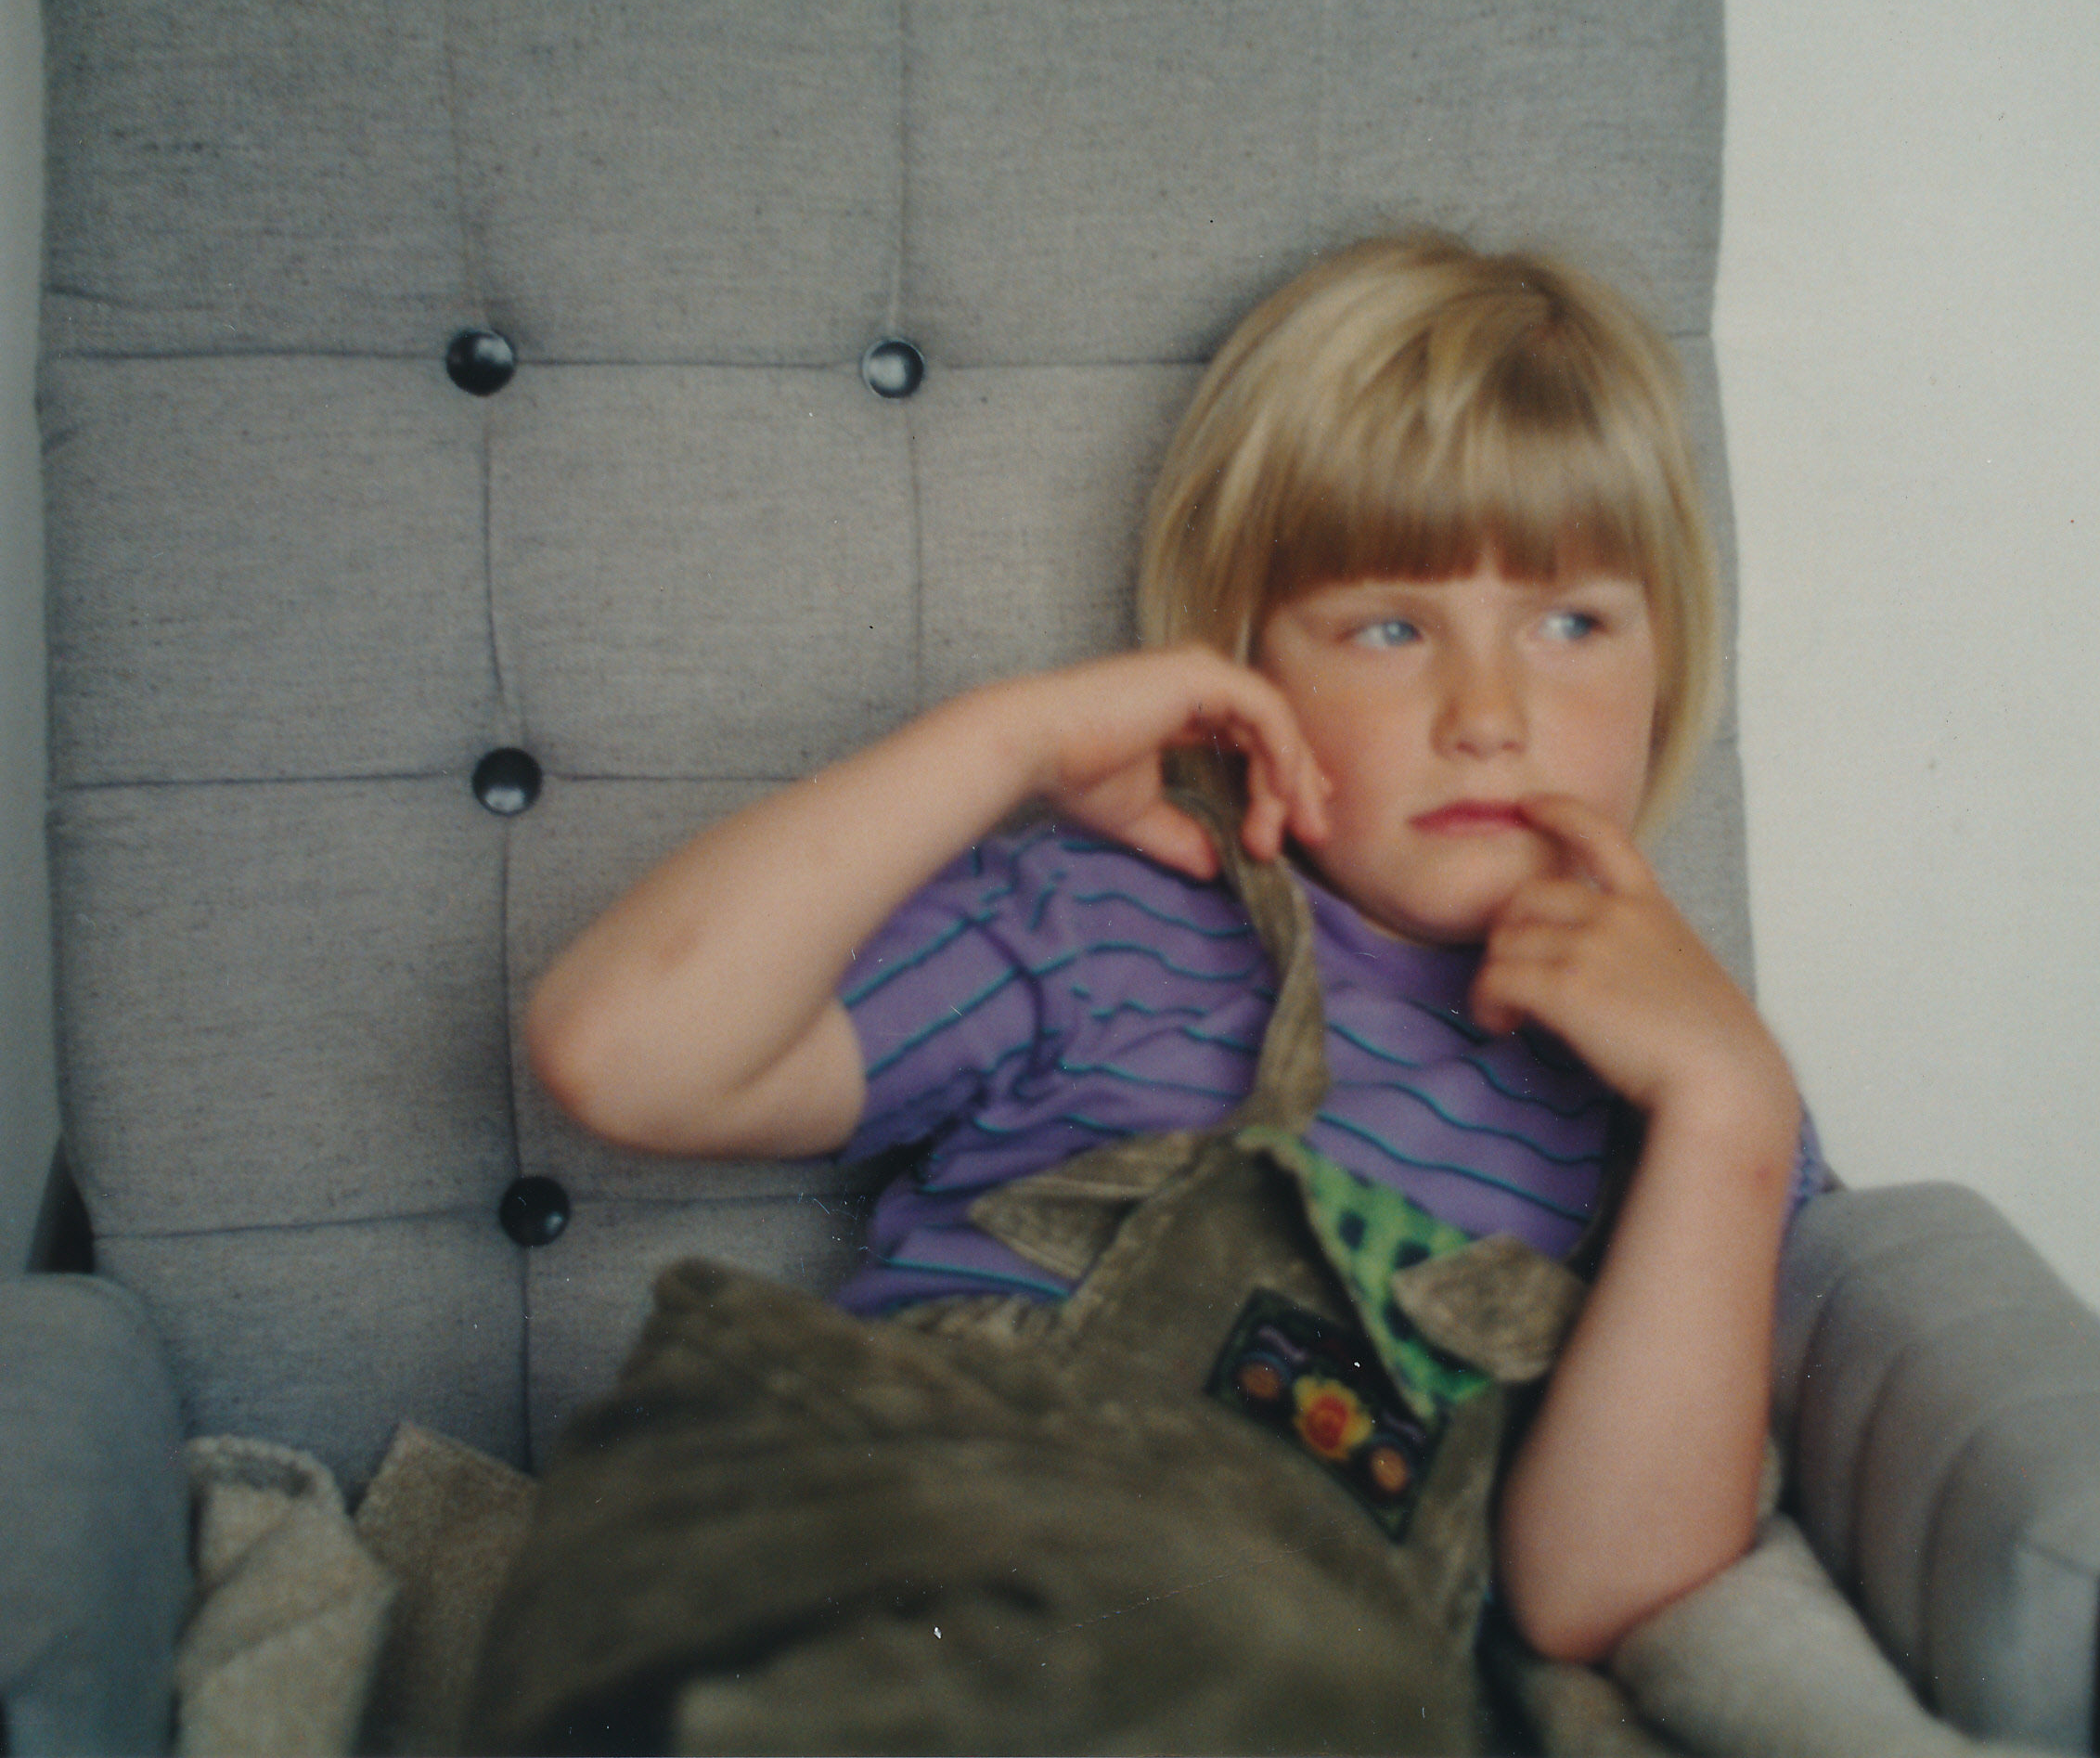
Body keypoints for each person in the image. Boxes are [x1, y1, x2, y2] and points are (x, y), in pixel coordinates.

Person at [522, 234, 1816, 1687]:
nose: (1488, 713)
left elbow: (1603, 1601)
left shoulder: (1688, 1107)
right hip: (898, 1595)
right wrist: (1008, 742)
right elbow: (621, 1056)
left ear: (1669, 663)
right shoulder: (1101, 924)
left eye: (1571, 623)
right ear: (1242, 670)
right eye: (1391, 626)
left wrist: (1730, 1116)